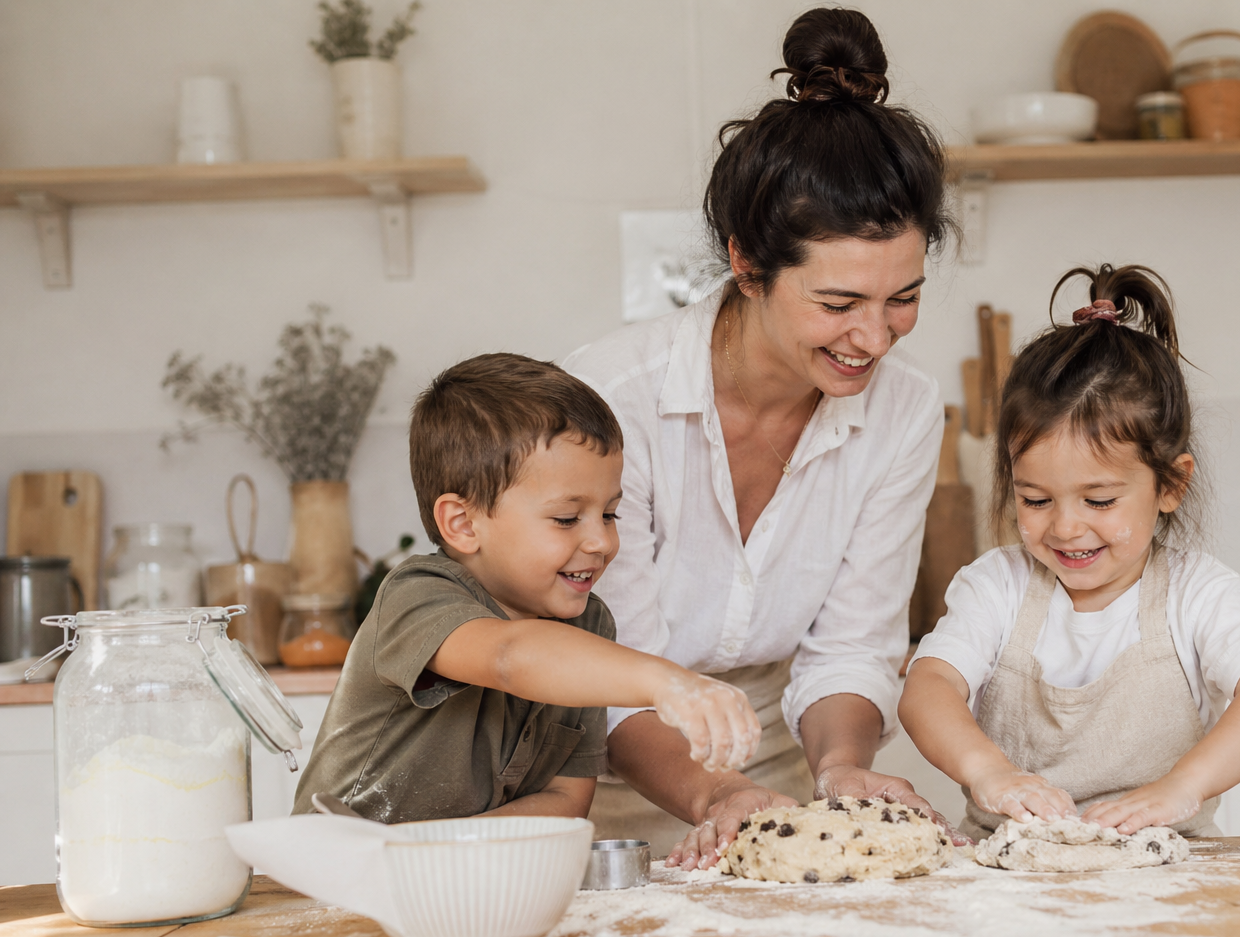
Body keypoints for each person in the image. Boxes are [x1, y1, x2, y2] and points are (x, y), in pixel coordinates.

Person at [564, 7, 953, 867]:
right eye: (839, 304)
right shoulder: (606, 400)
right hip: (589, 783)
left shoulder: (906, 409)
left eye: (904, 298)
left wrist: (842, 767)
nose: (877, 339)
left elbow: (854, 642)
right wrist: (716, 795)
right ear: (746, 266)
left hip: (776, 770)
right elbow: (611, 667)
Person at [899, 265, 1240, 839]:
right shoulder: (996, 586)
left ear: (1170, 485)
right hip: (1003, 878)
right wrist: (989, 772)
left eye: (1098, 500)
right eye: (1036, 499)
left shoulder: (1198, 594)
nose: (1067, 528)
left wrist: (1182, 787)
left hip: (1169, 879)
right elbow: (928, 690)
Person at [293, 354, 761, 823]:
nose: (601, 541)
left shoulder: (589, 628)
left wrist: (439, 854)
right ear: (462, 524)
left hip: (452, 881)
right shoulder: (417, 596)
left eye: (610, 514)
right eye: (566, 518)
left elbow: (565, 801)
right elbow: (510, 658)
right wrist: (667, 681)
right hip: (334, 877)